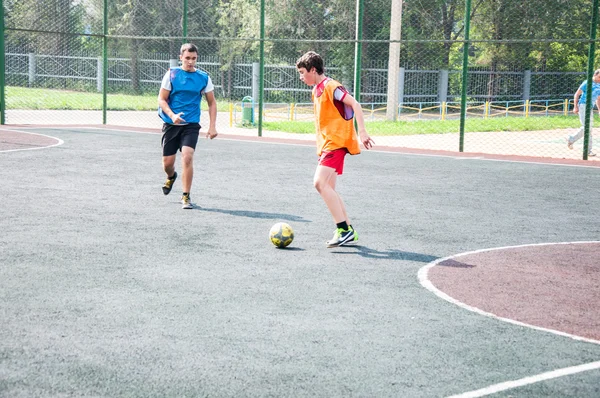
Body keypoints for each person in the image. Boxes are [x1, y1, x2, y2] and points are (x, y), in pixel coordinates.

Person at [296, 51, 375, 248]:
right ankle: (348, 228)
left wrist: (362, 132)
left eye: (302, 72)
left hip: (336, 143)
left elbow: (355, 104)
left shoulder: (332, 87)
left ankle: (344, 230)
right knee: (328, 188)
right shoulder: (316, 91)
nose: (301, 76)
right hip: (326, 145)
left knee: (319, 183)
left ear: (313, 70)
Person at [158, 43, 218, 209]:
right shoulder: (172, 74)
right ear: (181, 58)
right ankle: (171, 176)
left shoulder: (204, 77)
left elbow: (212, 103)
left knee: (187, 156)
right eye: (187, 58)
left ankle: (186, 196)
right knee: (167, 164)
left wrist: (212, 126)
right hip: (171, 124)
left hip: (191, 124)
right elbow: (161, 99)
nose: (190, 62)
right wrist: (172, 115)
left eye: (194, 58)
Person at [567, 69, 600, 157]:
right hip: (583, 105)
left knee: (588, 128)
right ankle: (587, 150)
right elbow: (577, 94)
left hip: (590, 107)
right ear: (595, 75)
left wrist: (599, 110)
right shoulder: (587, 82)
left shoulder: (599, 85)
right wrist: (575, 106)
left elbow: (598, 99)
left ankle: (572, 139)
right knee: (587, 128)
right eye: (599, 77)